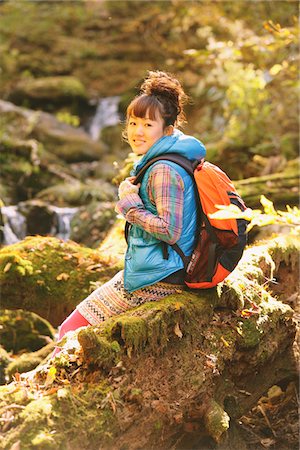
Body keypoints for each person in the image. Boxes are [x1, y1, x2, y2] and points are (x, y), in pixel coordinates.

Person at [52, 70, 206, 356]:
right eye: (133, 122)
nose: (137, 131)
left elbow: (169, 230)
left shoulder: (163, 169)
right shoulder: (166, 159)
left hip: (163, 277)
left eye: (148, 124)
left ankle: (51, 392)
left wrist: (129, 206)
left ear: (167, 129)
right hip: (159, 268)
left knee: (68, 331)